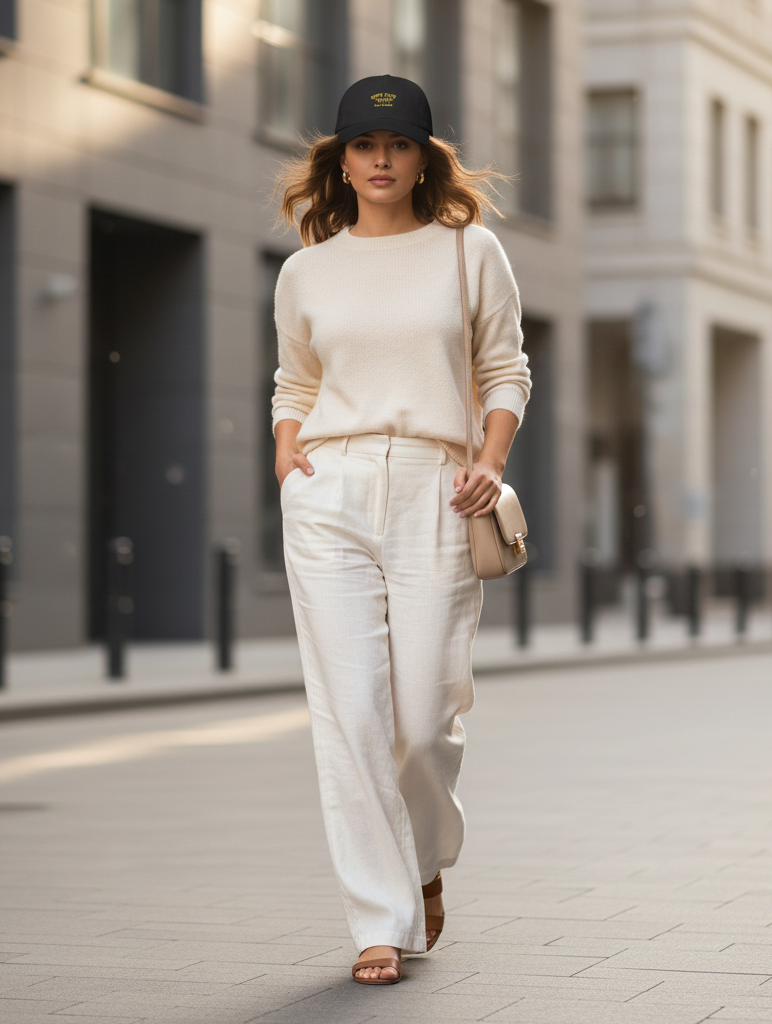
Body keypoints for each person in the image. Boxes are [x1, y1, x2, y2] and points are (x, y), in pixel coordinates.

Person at [272, 75, 531, 985]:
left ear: (424, 158)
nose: (381, 159)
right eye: (364, 145)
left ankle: (422, 857)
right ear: (340, 160)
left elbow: (506, 369)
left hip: (439, 487)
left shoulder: (471, 251)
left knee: (424, 716)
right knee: (350, 711)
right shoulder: (305, 270)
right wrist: (286, 449)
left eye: (399, 144)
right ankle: (380, 920)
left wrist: (490, 459)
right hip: (328, 490)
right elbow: (295, 382)